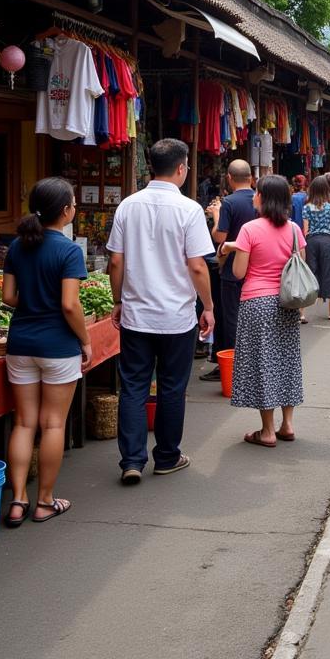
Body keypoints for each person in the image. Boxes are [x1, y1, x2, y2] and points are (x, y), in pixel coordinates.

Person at [107, 138, 215, 483]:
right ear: (181, 168)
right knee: (171, 387)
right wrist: (209, 306)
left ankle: (132, 461)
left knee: (134, 387)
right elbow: (197, 266)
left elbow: (115, 262)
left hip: (137, 316)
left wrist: (118, 300)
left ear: (152, 166)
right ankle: (167, 456)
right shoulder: (189, 210)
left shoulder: (128, 205)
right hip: (176, 317)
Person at [1, 177, 91, 526]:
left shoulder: (17, 247)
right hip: (58, 346)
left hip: (21, 343)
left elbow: (8, 298)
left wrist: (34, 306)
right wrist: (84, 340)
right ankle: (45, 502)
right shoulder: (69, 251)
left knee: (23, 423)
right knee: (53, 424)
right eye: (73, 202)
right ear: (66, 211)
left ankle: (18, 501)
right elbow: (70, 305)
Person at [219, 175, 306, 447]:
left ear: (264, 198)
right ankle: (287, 424)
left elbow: (238, 272)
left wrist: (231, 250)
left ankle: (267, 431)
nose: (254, 196)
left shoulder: (249, 229)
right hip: (287, 303)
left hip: (257, 303)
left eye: (257, 193)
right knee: (286, 360)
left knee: (262, 363)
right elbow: (299, 265)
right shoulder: (293, 229)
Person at [201, 159, 257, 381]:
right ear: (251, 178)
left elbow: (220, 237)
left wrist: (216, 215)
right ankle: (249, 364)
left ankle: (233, 367)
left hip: (232, 267)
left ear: (229, 179)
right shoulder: (259, 198)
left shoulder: (229, 203)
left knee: (231, 319)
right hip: (255, 267)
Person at [302, 175, 330, 319]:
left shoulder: (306, 208)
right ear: (326, 190)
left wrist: (302, 248)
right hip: (326, 241)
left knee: (309, 273)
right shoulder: (329, 208)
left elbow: (305, 231)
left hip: (311, 242)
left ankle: (302, 313)